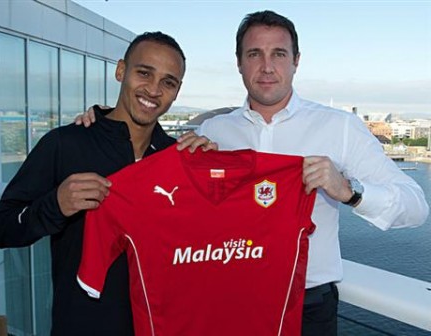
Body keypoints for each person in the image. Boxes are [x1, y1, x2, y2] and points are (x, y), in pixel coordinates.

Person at [77, 10, 429, 336]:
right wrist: (99, 119)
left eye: (278, 54)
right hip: (223, 300)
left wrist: (349, 190)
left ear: (296, 61)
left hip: (307, 306)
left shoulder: (341, 128)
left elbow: (416, 207)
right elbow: (156, 166)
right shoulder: (212, 131)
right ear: (239, 64)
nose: (266, 67)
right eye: (254, 54)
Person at [0, 31, 187, 336]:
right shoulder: (65, 143)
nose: (154, 89)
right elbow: (1, 228)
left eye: (168, 82)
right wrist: (55, 204)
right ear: (121, 70)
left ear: (177, 91)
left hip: (160, 326)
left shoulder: (178, 158)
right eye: (144, 72)